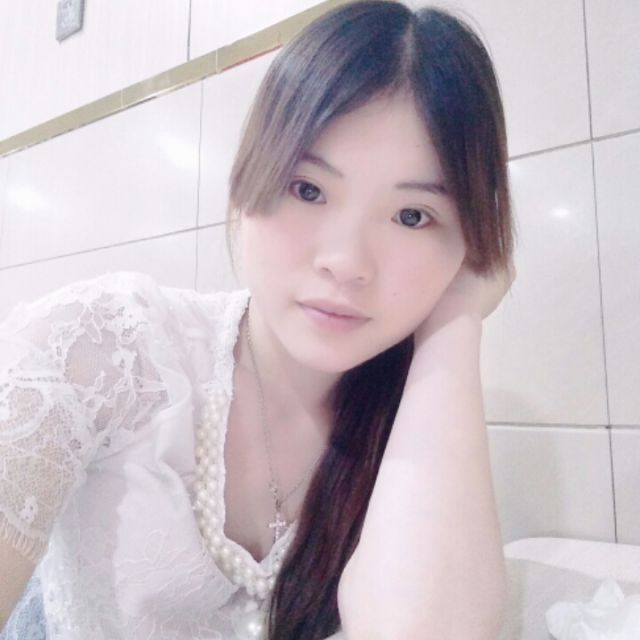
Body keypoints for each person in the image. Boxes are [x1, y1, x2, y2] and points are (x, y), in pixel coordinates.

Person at [0, 1, 517, 638]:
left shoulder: (417, 414)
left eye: (413, 216)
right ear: (248, 180)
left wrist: (457, 322)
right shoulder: (105, 349)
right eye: (308, 188)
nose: (346, 263)